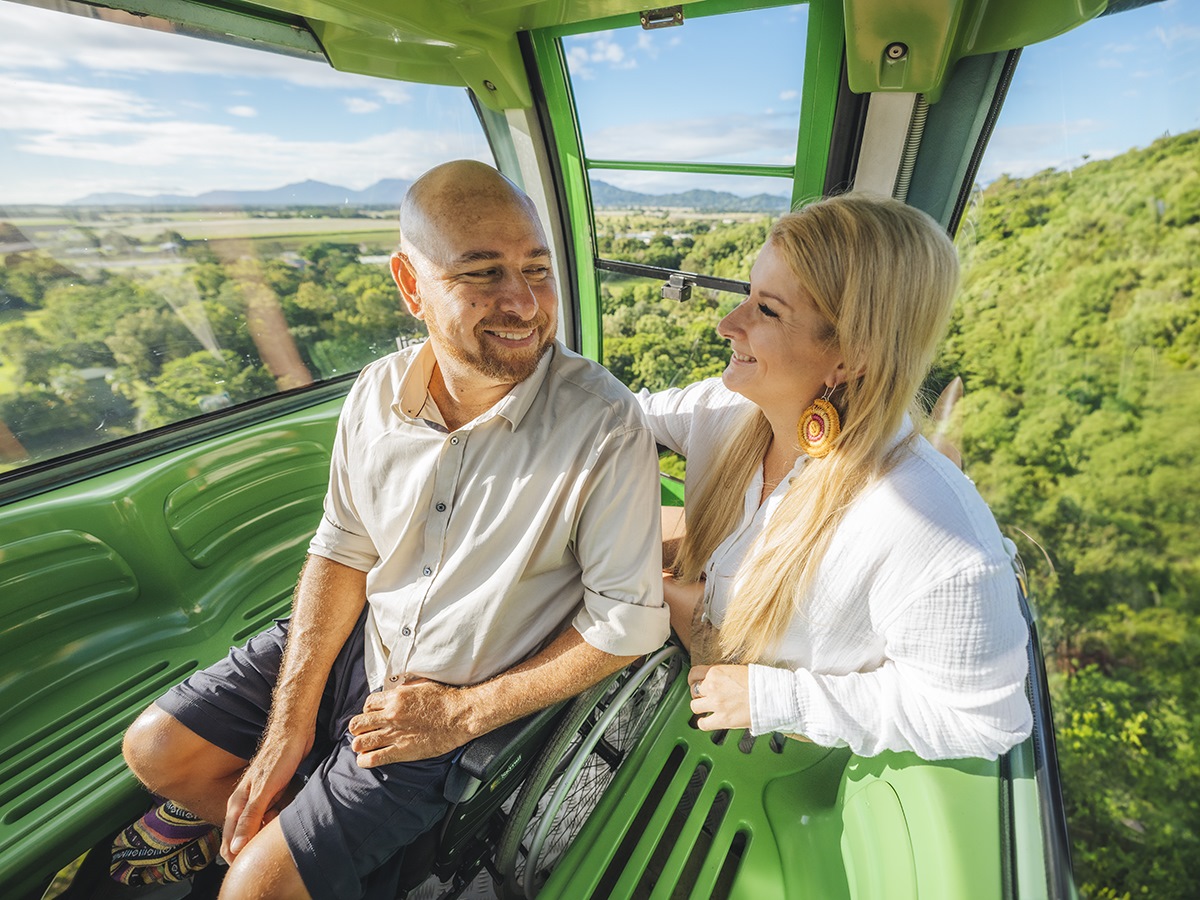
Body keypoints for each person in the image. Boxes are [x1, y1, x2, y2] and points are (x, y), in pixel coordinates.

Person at [118, 160, 669, 899]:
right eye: (482, 274)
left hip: (450, 695)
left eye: (537, 270)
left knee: (252, 893)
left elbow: (627, 625)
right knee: (154, 749)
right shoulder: (376, 393)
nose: (523, 303)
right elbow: (343, 548)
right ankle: (302, 839)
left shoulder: (602, 423)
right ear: (411, 286)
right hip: (361, 639)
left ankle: (284, 859)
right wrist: (292, 722)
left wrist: (460, 715)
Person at [645, 194, 1033, 760]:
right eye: (746, 295)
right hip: (674, 681)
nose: (728, 325)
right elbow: (608, 413)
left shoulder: (929, 530)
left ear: (851, 357)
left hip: (761, 757)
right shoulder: (722, 410)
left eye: (768, 311)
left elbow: (987, 723)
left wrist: (776, 696)